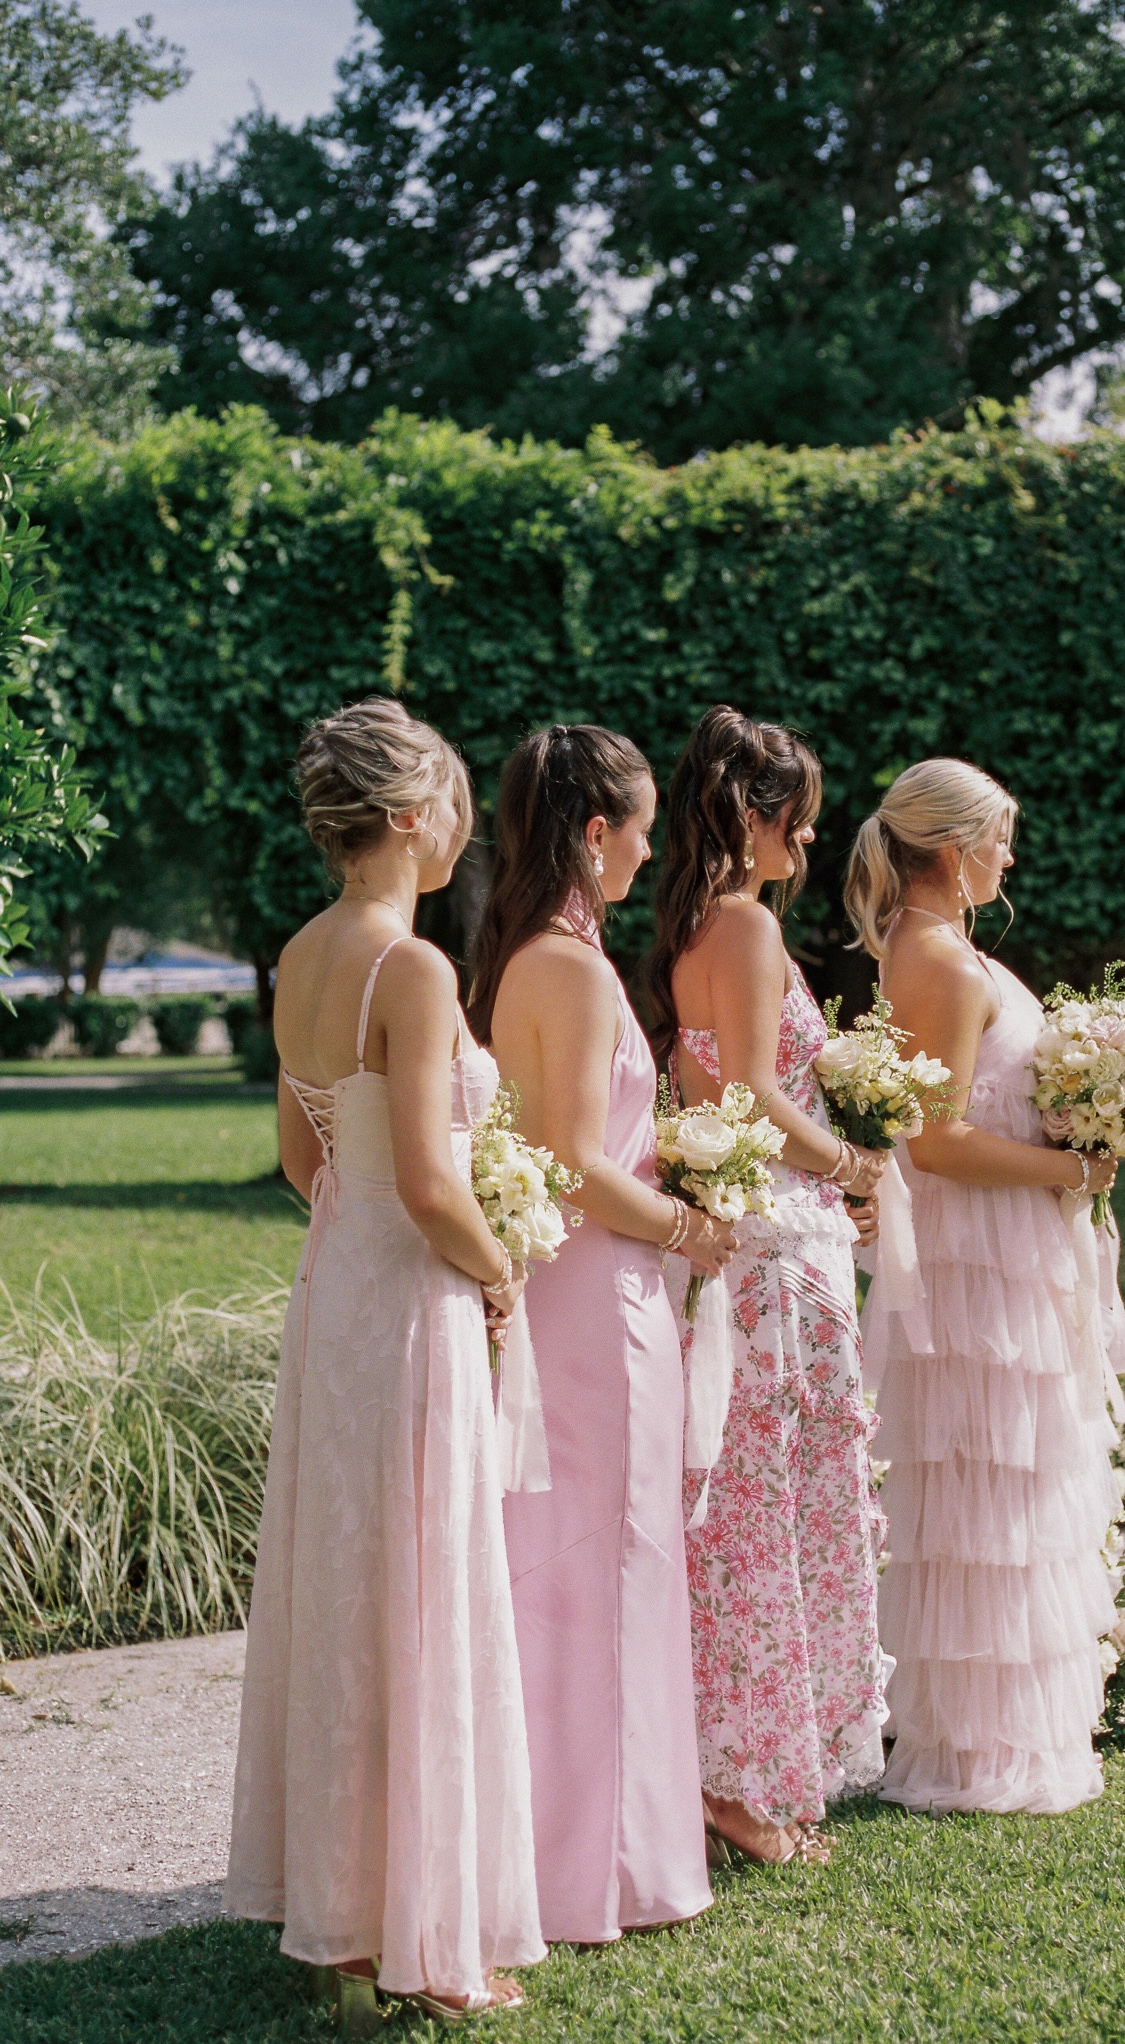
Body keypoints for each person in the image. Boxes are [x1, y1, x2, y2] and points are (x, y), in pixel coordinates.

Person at [224, 698, 544, 2025]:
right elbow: (426, 1178)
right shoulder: (407, 970)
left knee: (346, 1586)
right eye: (453, 807)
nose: (462, 830)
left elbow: (311, 1162)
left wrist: (393, 1229)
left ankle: (345, 1916)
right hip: (406, 1298)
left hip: (334, 1297)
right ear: (411, 819)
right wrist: (500, 1265)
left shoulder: (302, 954)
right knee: (423, 1587)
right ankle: (427, 1944)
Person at [469, 724, 736, 1945]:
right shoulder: (567, 970)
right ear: (593, 834)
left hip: (574, 1291)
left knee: (568, 1571)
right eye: (638, 827)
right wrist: (689, 1225)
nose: (650, 848)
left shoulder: (524, 955)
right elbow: (576, 1164)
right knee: (609, 1568)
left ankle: (557, 1853)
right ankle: (608, 1871)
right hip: (598, 1297)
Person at [846, 758, 1122, 1815]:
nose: (1010, 855)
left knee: (1011, 1492)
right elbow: (940, 1141)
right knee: (982, 1497)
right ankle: (975, 1751)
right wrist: (1071, 1168)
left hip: (1002, 1249)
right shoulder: (942, 964)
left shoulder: (943, 950)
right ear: (955, 848)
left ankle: (1009, 1730)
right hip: (975, 1263)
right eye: (999, 838)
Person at [644, 705, 890, 1867]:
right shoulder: (740, 928)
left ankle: (744, 1767)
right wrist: (849, 1160)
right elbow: (746, 1090)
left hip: (765, 1237)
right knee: (761, 1509)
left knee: (755, 1504)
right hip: (776, 1251)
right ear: (751, 814)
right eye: (797, 816)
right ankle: (736, 1781)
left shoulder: (697, 924)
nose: (810, 836)